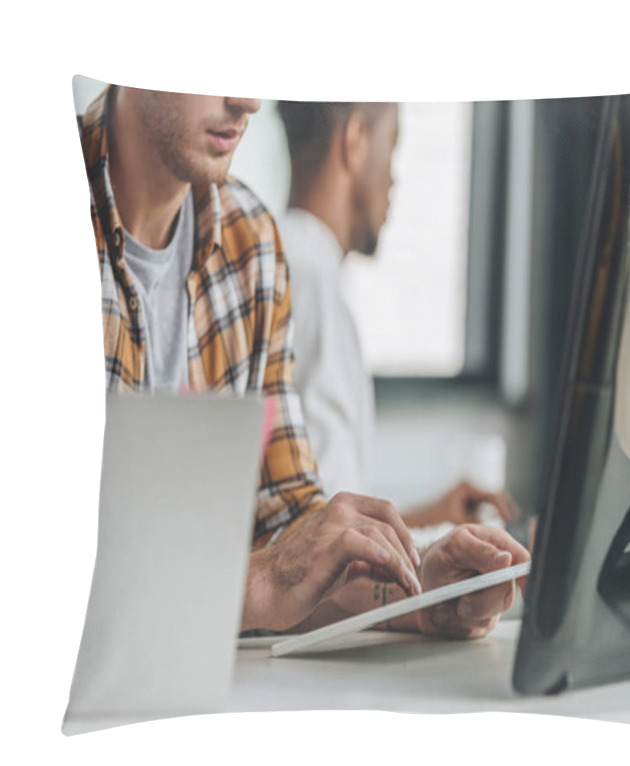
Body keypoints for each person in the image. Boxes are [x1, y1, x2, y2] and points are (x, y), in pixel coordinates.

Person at [78, 84, 529, 637]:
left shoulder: (253, 246)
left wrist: (417, 592)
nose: (248, 102)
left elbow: (292, 536)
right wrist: (259, 580)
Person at [277, 101, 518, 529]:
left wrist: (428, 519)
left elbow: (321, 527)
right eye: (392, 147)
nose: (393, 178)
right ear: (354, 143)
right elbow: (329, 550)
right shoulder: (311, 285)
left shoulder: (285, 258)